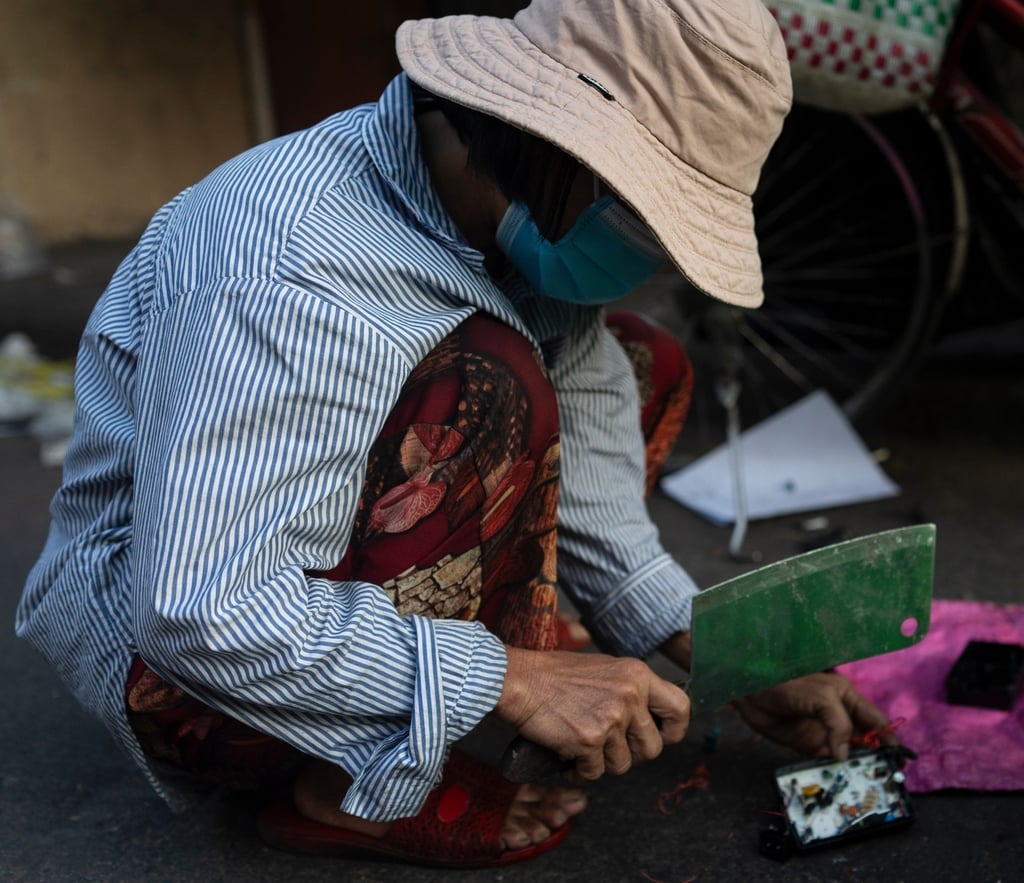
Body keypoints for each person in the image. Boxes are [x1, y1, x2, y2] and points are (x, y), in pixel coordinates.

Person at [15, 0, 896, 868]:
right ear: (549, 143)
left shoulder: (518, 227)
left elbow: (592, 496)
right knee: (492, 377)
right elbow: (199, 610)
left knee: (636, 359)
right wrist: (514, 680)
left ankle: (474, 663)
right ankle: (345, 780)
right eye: (641, 218)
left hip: (295, 586)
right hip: (185, 673)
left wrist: (725, 653)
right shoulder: (288, 263)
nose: (648, 258)